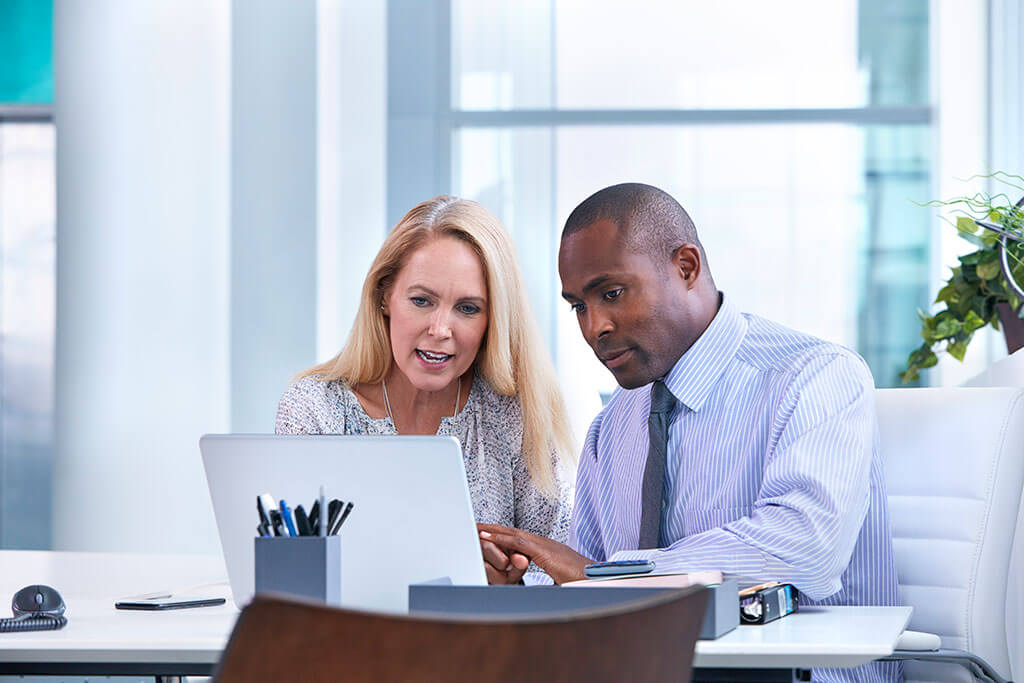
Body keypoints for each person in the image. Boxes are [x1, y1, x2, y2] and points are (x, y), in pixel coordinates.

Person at [477, 183, 899, 682]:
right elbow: (585, 592)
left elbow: (807, 549)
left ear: (686, 267)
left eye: (611, 294)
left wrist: (611, 575)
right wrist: (520, 587)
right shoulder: (611, 429)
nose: (594, 327)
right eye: (578, 307)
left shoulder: (814, 377)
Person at [276, 196, 575, 581]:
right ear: (384, 296)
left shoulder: (516, 413)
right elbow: (294, 574)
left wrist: (508, 588)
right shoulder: (314, 408)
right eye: (421, 300)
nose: (440, 330)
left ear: (493, 319)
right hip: (350, 639)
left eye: (467, 308)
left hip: (490, 637)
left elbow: (557, 562)